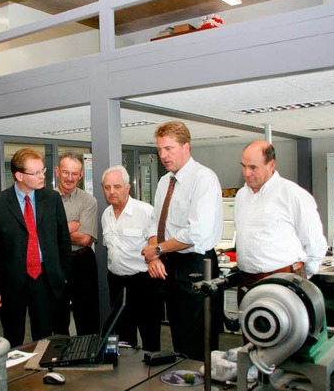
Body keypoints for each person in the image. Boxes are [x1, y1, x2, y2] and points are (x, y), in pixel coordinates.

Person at [141, 121, 223, 361]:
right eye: (160, 150)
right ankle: (181, 384)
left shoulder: (203, 178)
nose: (163, 155)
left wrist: (156, 248)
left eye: (169, 148)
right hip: (171, 263)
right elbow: (156, 222)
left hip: (197, 264)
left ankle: (202, 388)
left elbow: (196, 232)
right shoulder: (164, 182)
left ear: (186, 147)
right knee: (178, 333)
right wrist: (156, 255)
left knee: (198, 338)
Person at [0, 148, 71, 348]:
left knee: (44, 336)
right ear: (19, 176)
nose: (42, 176)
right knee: (13, 336)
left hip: (44, 278)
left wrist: (63, 275)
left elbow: (63, 240)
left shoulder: (52, 199)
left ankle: (42, 373)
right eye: (36, 173)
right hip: (12, 282)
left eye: (43, 170)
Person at [234, 140, 327, 302]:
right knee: (250, 325)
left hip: (284, 279)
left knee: (285, 327)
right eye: (243, 166)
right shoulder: (242, 195)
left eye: (253, 167)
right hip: (247, 280)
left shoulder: (292, 194)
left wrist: (301, 277)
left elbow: (315, 242)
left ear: (271, 165)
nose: (246, 173)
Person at [101, 165, 161, 352]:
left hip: (142, 283)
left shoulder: (145, 211)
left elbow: (154, 240)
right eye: (107, 187)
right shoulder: (106, 215)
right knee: (124, 338)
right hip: (117, 282)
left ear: (128, 187)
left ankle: (152, 375)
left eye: (117, 186)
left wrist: (153, 258)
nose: (112, 191)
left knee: (149, 335)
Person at [53, 152, 99, 335]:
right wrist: (69, 227)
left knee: (87, 317)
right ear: (57, 171)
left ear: (81, 175)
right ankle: (57, 358)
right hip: (56, 262)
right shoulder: (45, 199)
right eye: (65, 172)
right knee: (57, 316)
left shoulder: (88, 201)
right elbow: (39, 235)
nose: (69, 178)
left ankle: (87, 357)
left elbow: (85, 238)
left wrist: (55, 231)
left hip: (82, 262)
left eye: (74, 174)